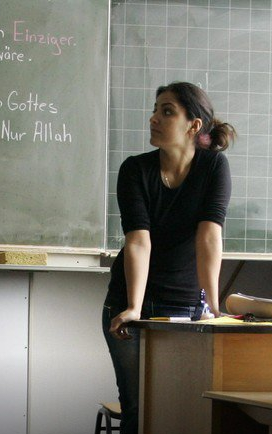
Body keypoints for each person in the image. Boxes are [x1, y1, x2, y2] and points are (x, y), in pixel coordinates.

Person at [102, 81, 234, 434]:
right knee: (138, 410)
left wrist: (213, 307)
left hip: (186, 306)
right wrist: (134, 307)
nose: (154, 118)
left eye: (167, 111)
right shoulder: (135, 169)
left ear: (194, 125)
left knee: (183, 409)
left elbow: (209, 237)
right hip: (130, 301)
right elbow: (138, 241)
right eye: (155, 110)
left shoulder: (213, 167)